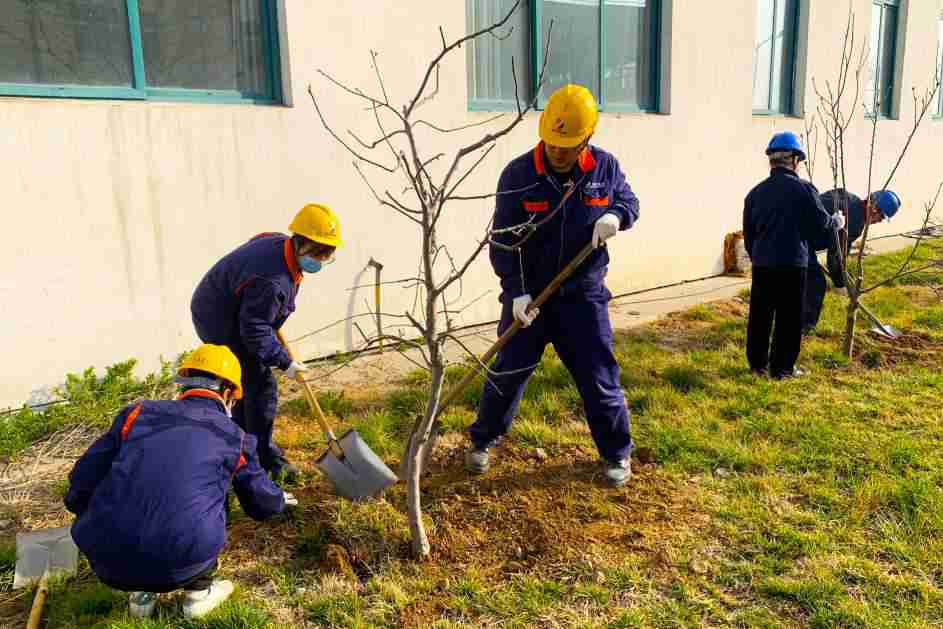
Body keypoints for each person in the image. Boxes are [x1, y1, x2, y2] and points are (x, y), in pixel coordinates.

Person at [465, 84, 639, 488]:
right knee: (508, 371)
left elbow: (629, 201)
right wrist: (517, 291)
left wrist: (617, 215)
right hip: (530, 295)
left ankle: (616, 453)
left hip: (583, 297)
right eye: (553, 143)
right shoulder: (519, 175)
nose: (559, 152)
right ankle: (482, 440)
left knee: (598, 376)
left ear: (587, 138)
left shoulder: (604, 168)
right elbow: (504, 241)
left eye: (569, 145)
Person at [64, 344, 295, 619]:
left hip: (106, 560)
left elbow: (83, 477)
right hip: (182, 560)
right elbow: (260, 505)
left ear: (183, 385)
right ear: (228, 393)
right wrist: (278, 500)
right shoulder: (234, 436)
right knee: (212, 495)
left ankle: (140, 596)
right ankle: (198, 595)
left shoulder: (136, 414)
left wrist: (90, 515)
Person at [191, 204, 342, 480]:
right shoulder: (272, 281)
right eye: (318, 252)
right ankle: (262, 458)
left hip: (236, 310)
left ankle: (243, 448)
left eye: (327, 254)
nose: (321, 259)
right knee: (260, 386)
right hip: (219, 320)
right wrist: (285, 362)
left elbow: (257, 240)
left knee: (249, 385)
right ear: (299, 242)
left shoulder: (279, 245)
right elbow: (255, 330)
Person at [743, 132, 845, 379]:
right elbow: (820, 224)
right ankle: (782, 369)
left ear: (771, 160)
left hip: (763, 263)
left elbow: (748, 234)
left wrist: (757, 255)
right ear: (795, 160)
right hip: (792, 263)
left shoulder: (755, 193)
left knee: (760, 316)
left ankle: (758, 366)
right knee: (789, 318)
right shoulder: (804, 189)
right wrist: (836, 222)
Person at [802, 188, 901, 333]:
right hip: (797, 237)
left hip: (798, 233)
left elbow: (841, 250)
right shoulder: (854, 221)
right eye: (880, 218)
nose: (878, 222)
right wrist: (840, 284)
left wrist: (844, 275)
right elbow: (836, 255)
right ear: (874, 209)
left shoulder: (850, 201)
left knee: (801, 278)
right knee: (816, 283)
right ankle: (804, 329)